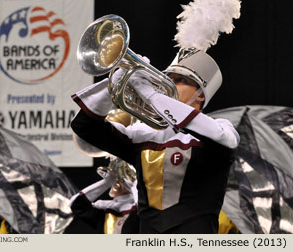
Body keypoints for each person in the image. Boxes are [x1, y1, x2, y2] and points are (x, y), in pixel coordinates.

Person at [70, 48, 240, 233]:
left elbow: (223, 139)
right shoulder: (143, 133)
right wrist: (115, 82)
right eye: (170, 78)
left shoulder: (222, 127)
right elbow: (84, 125)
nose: (170, 84)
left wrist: (151, 95)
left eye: (181, 80)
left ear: (200, 94)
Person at [68, 157, 138, 234]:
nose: (118, 180)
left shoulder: (140, 204)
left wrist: (135, 187)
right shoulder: (105, 207)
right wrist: (106, 182)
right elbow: (75, 204)